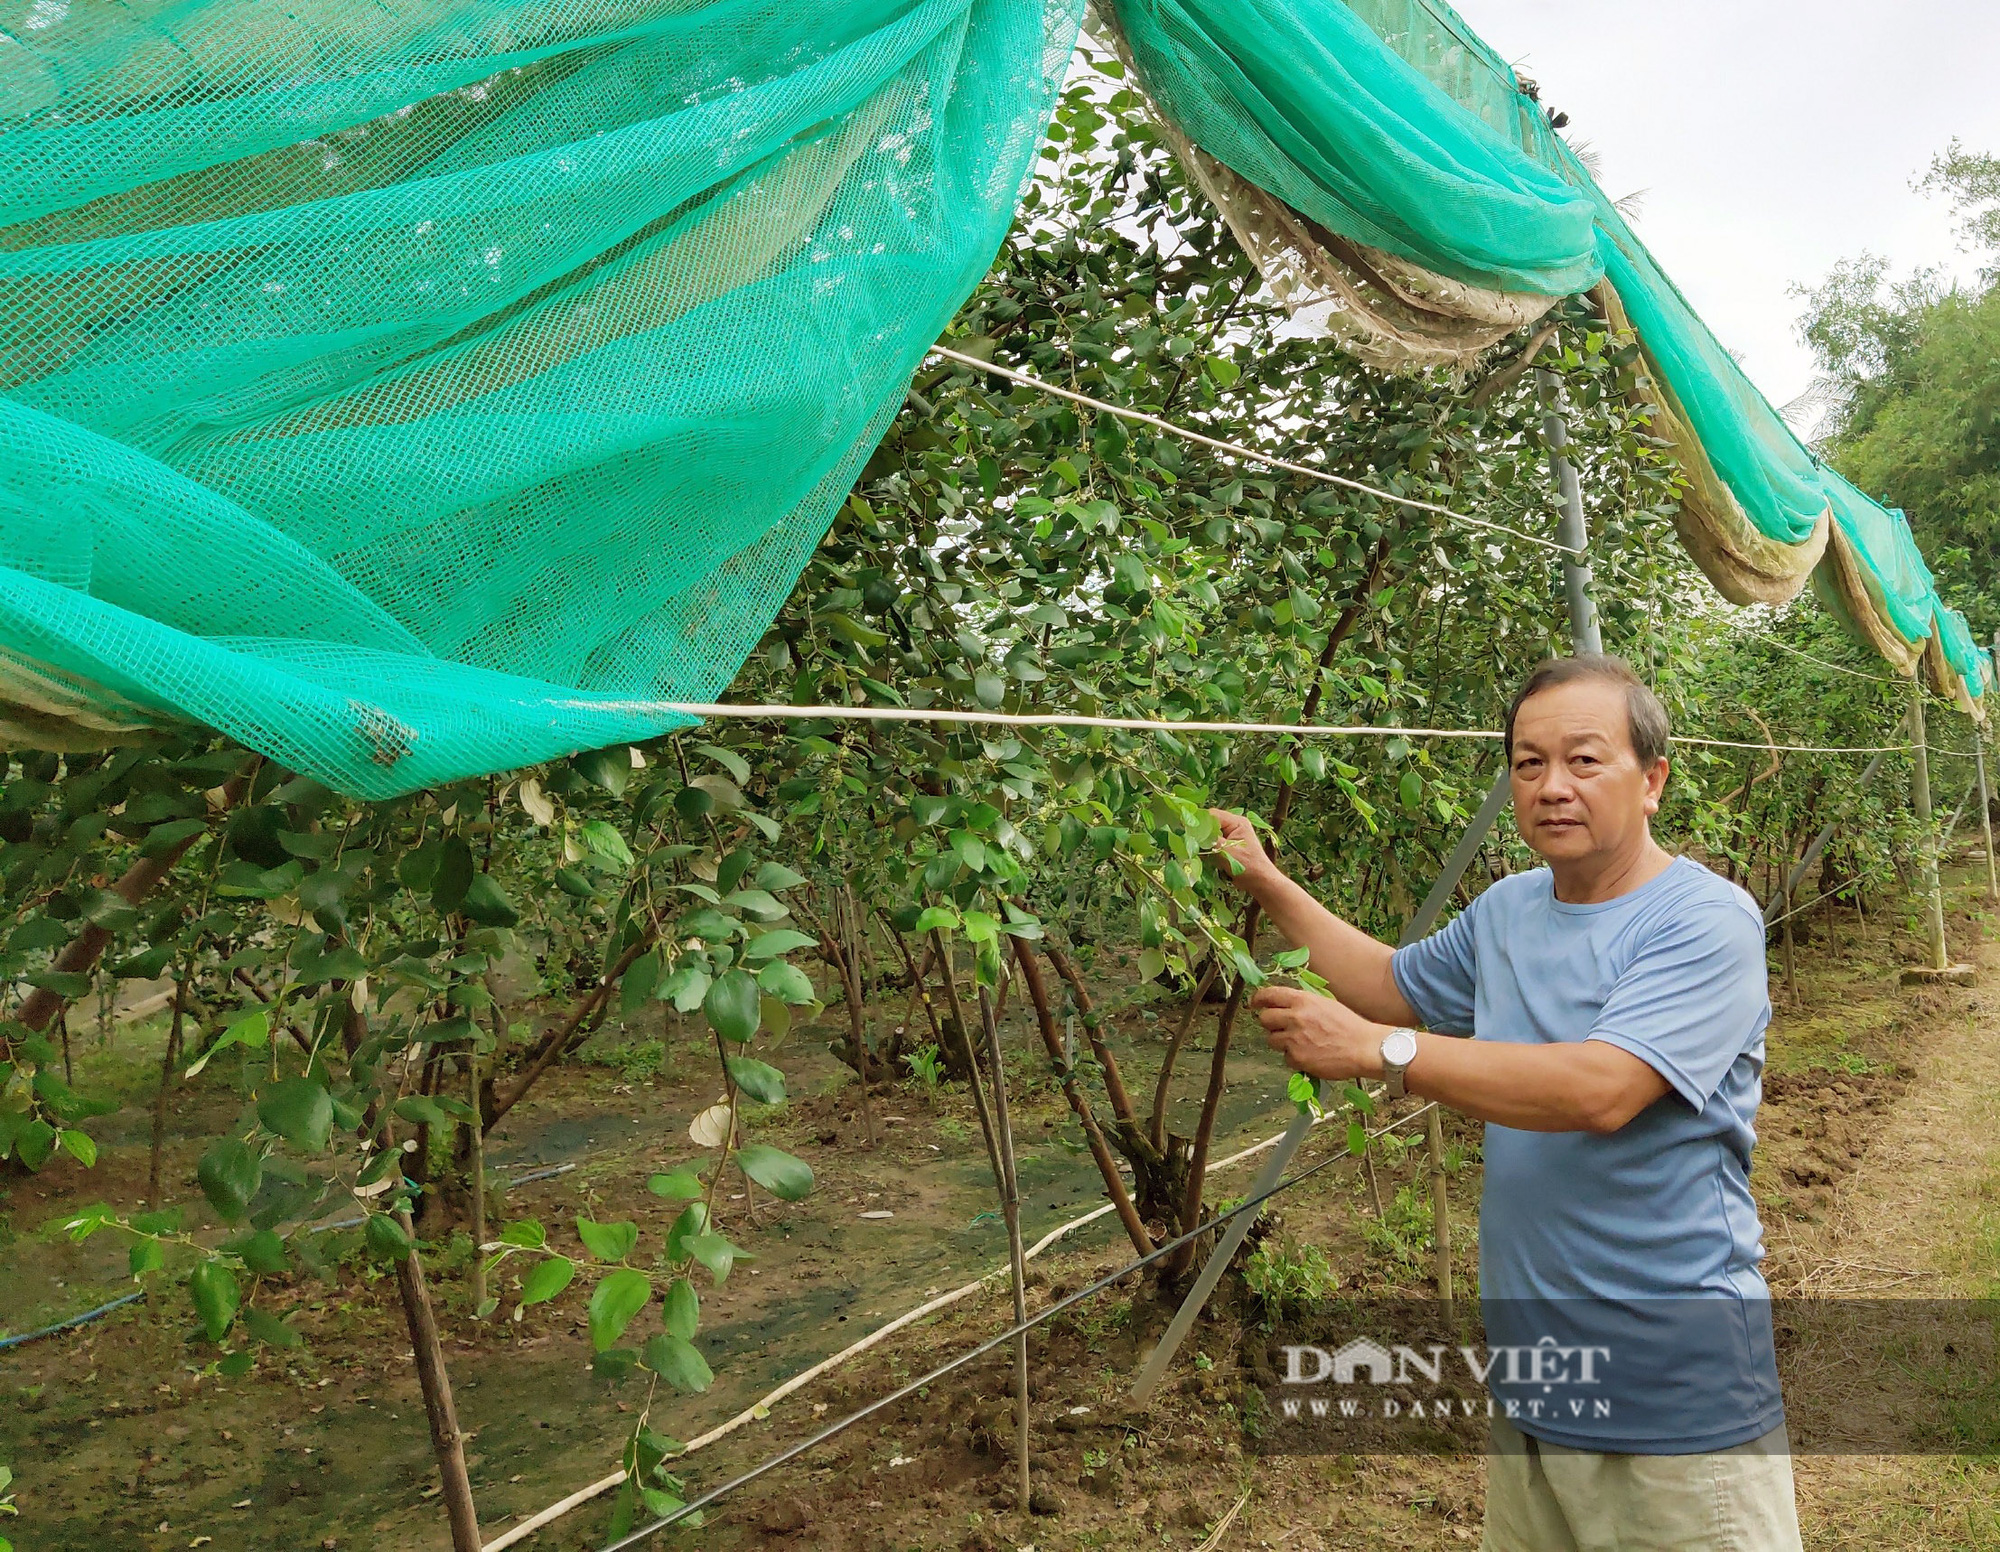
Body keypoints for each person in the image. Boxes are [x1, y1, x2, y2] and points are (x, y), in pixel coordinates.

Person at [1211, 654, 1802, 1552]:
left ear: (1654, 780)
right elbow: (1388, 984)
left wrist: (1381, 1054)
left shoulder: (1704, 921)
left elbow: (1602, 1089)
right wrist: (1262, 878)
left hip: (1674, 1400)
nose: (1552, 787)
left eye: (1584, 760)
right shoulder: (1508, 910)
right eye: (1529, 764)